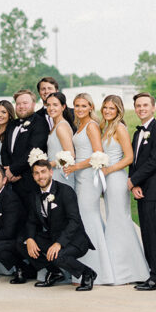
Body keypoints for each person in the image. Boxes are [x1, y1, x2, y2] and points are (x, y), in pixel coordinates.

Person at [17, 159, 97, 291]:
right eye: (36, 173)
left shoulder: (65, 191)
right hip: (52, 237)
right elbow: (31, 220)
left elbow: (74, 221)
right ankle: (54, 272)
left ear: (50, 172)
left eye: (43, 172)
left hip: (74, 240)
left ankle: (87, 273)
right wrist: (30, 238)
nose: (40, 176)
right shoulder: (34, 195)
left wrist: (59, 243)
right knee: (22, 243)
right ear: (33, 176)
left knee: (58, 256)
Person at [64, 92, 114, 284]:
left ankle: (98, 271)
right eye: (76, 105)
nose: (79, 109)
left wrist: (76, 165)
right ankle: (88, 265)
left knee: (88, 216)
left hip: (88, 176)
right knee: (83, 218)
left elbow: (98, 154)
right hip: (79, 176)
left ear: (91, 107)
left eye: (83, 106)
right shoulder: (79, 126)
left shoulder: (92, 126)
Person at [100, 94, 149, 285]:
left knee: (119, 220)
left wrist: (109, 169)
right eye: (105, 108)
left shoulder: (120, 128)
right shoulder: (105, 128)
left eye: (111, 108)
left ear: (118, 110)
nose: (107, 111)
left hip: (117, 179)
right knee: (113, 219)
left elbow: (129, 157)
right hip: (107, 179)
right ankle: (117, 267)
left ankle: (125, 271)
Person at [128, 91, 156, 291]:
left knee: (154, 235)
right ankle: (152, 273)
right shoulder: (137, 133)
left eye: (145, 105)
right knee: (147, 234)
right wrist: (135, 185)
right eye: (138, 105)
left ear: (153, 107)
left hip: (155, 192)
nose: (141, 108)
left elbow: (155, 161)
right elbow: (135, 162)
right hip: (143, 191)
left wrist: (133, 180)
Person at [1, 89, 48, 204]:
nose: (21, 106)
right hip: (11, 182)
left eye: (25, 103)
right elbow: (5, 150)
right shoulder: (12, 124)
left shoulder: (40, 123)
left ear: (33, 104)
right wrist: (7, 171)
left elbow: (33, 150)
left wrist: (14, 171)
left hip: (28, 180)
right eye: (18, 104)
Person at [44, 92, 76, 190]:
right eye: (48, 105)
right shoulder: (55, 126)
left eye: (55, 105)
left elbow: (71, 155)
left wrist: (48, 165)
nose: (51, 108)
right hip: (54, 173)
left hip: (61, 174)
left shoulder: (61, 126)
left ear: (63, 107)